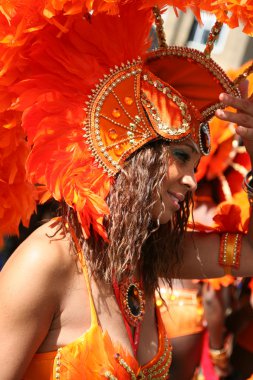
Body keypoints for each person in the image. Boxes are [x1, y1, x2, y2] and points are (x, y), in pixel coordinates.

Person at [0, 1, 253, 379]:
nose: (191, 179)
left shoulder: (147, 256)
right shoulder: (48, 260)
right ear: (131, 151)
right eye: (180, 157)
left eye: (196, 166)